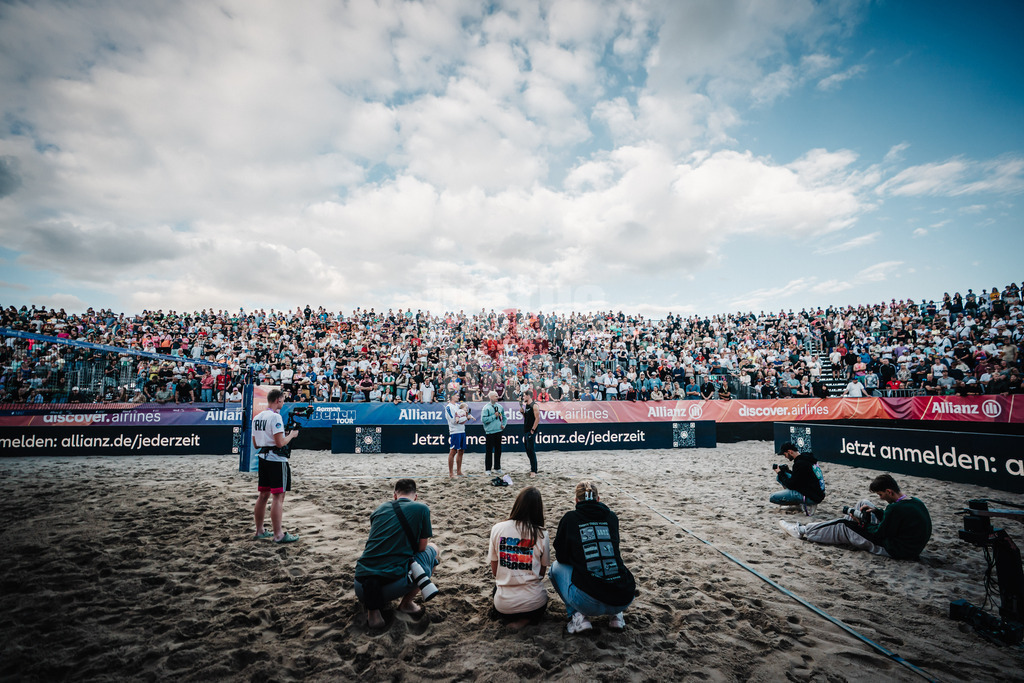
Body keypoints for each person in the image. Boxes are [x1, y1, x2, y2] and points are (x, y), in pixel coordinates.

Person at [779, 474, 932, 560]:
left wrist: (861, 525)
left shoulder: (895, 509)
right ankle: (846, 530)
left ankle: (802, 530)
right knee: (863, 504)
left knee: (844, 524)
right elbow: (897, 522)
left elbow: (879, 533)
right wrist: (877, 511)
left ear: (889, 491)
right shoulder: (914, 502)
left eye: (881, 495)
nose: (880, 498)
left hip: (896, 550)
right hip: (910, 547)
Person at [550, 481, 636, 633]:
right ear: (598, 499)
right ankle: (616, 616)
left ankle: (578, 617)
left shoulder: (570, 518)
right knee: (610, 561)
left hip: (588, 601)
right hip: (623, 596)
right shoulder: (611, 517)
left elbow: (561, 556)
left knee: (555, 568)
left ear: (576, 500)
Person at [354, 479, 441, 629]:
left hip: (360, 586)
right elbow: (422, 548)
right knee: (434, 550)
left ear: (395, 496)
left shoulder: (379, 509)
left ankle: (373, 610)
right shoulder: (421, 508)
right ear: (416, 496)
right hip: (389, 587)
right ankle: (406, 604)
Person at [488, 486, 551, 629]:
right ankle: (525, 621)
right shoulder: (541, 533)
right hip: (534, 605)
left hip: (504, 606)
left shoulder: (497, 528)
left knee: (496, 589)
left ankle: (510, 617)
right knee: (539, 601)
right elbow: (541, 573)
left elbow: (495, 572)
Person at [251, 388, 300, 543]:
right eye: (283, 400)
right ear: (278, 400)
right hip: (276, 460)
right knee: (278, 497)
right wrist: (291, 435)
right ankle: (278, 535)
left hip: (263, 458)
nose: (283, 402)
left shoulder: (257, 417)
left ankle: (259, 530)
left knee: (263, 495)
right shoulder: (275, 417)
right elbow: (280, 444)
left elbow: (255, 443)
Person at [769, 442, 825, 516]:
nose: (785, 457)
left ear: (790, 452)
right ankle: (799, 503)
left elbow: (791, 485)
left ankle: (802, 503)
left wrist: (780, 472)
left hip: (812, 496)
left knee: (773, 497)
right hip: (817, 491)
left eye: (785, 454)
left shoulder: (800, 463)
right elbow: (801, 477)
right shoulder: (807, 458)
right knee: (781, 476)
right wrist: (787, 472)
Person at [481, 390, 507, 475]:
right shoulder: (486, 408)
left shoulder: (500, 407)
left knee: (498, 450)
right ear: (491, 397)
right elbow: (484, 420)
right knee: (489, 451)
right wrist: (493, 416)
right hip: (490, 432)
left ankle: (497, 467)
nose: (497, 397)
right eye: (496, 396)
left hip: (498, 431)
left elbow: (504, 417)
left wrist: (503, 424)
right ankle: (488, 469)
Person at [444, 390, 467, 477]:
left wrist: (465, 417)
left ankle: (459, 471)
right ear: (452, 396)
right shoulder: (448, 407)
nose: (458, 396)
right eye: (456, 395)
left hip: (462, 430)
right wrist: (464, 418)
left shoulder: (458, 406)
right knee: (453, 451)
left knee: (461, 451)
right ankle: (451, 473)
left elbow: (464, 415)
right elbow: (453, 421)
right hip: (455, 431)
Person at [520, 391, 540, 477]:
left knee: (531, 451)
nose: (523, 397)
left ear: (528, 396)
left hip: (530, 431)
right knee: (528, 451)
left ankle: (534, 471)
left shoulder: (534, 405)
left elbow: (537, 419)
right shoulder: (527, 406)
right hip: (526, 430)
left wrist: (532, 430)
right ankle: (533, 468)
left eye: (524, 396)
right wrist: (523, 413)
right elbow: (527, 418)